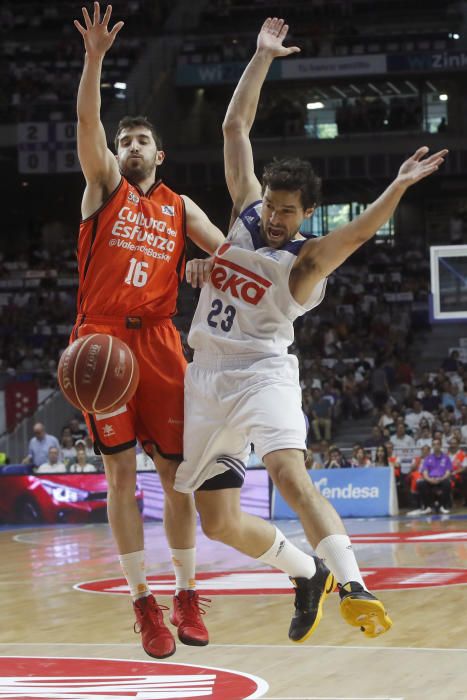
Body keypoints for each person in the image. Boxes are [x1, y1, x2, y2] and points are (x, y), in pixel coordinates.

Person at [176, 17, 446, 641]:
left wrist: (397, 187)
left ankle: (353, 581)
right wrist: (262, 55)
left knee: (289, 473)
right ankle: (305, 573)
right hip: (207, 377)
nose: (273, 217)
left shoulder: (304, 263)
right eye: (270, 204)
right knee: (217, 521)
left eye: (287, 211)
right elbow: (234, 127)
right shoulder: (246, 217)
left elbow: (357, 233)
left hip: (263, 372)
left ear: (307, 214)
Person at [72, 2, 226, 659]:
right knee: (121, 478)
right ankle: (143, 605)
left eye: (140, 141)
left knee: (176, 479)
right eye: (123, 140)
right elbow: (86, 121)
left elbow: (230, 260)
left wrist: (210, 265)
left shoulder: (180, 206)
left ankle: (186, 593)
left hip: (162, 341)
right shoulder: (103, 187)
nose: (129, 147)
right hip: (103, 343)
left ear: (158, 153)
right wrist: (95, 60)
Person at [416, 438, 453, 514]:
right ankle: (428, 507)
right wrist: (429, 479)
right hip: (430, 479)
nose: (436, 446)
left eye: (438, 444)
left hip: (442, 479)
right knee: (421, 483)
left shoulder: (446, 457)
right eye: (434, 444)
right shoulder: (428, 458)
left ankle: (443, 506)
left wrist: (441, 478)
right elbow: (425, 472)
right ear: (432, 446)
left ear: (441, 445)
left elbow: (448, 471)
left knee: (447, 483)